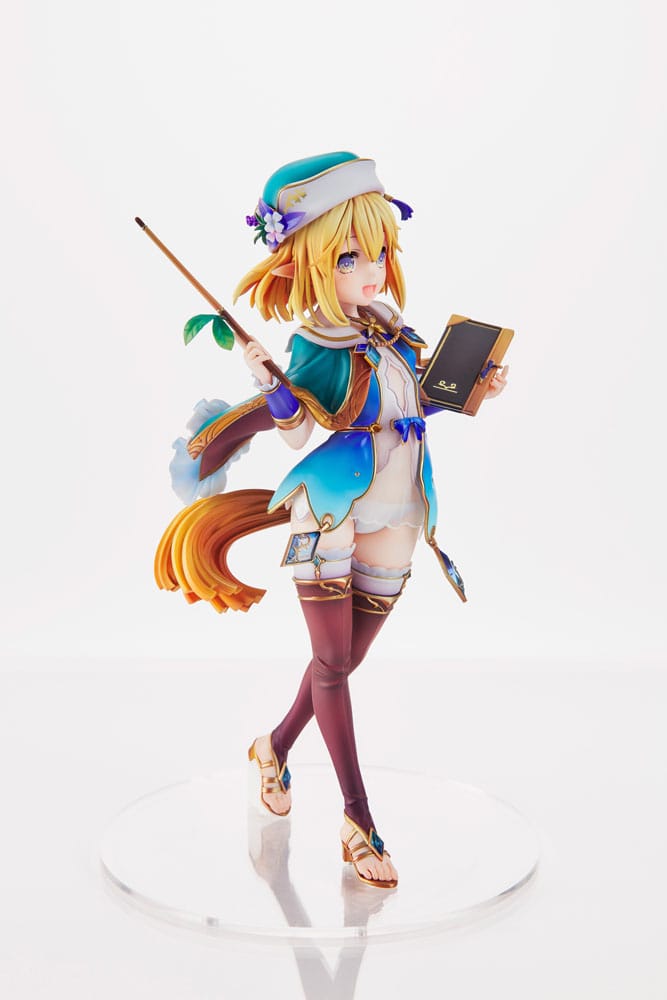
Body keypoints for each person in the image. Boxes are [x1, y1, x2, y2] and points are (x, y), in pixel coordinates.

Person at [159, 152, 508, 889]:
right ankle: (358, 820)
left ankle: (272, 748)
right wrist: (271, 385)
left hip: (402, 509)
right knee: (335, 664)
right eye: (350, 257)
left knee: (339, 663)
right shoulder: (315, 344)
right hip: (330, 511)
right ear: (311, 262)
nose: (372, 270)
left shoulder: (391, 329)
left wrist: (475, 384)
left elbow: (415, 402)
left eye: (379, 251)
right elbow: (296, 430)